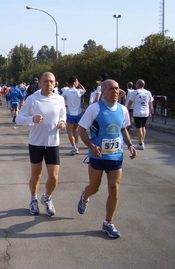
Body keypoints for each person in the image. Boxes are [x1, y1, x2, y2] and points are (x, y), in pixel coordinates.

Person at [77, 79, 137, 239]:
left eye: (117, 88)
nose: (115, 91)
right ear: (103, 91)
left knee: (114, 188)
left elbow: (123, 129)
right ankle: (85, 196)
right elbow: (81, 129)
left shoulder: (123, 109)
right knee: (94, 188)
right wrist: (91, 146)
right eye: (111, 89)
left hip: (116, 156)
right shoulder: (94, 108)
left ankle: (108, 223)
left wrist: (130, 145)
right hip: (97, 156)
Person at [16, 72, 66, 217]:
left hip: (52, 143)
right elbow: (19, 119)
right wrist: (32, 119)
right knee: (36, 174)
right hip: (36, 142)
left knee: (54, 178)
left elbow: (63, 115)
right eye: (46, 81)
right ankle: (33, 199)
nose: (48, 84)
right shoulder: (33, 99)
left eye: (51, 81)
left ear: (55, 83)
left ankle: (47, 197)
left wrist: (62, 123)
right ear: (40, 83)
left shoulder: (59, 99)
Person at [126, 79, 154, 150]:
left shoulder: (135, 92)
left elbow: (130, 102)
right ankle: (142, 142)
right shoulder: (148, 92)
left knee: (138, 128)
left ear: (138, 85)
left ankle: (140, 143)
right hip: (145, 112)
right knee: (143, 127)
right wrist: (150, 112)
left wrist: (127, 110)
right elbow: (151, 103)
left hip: (138, 112)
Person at [62, 76, 86, 155]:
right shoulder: (79, 91)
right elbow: (84, 90)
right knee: (75, 130)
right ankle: (77, 145)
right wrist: (79, 83)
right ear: (75, 83)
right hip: (78, 114)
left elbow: (62, 99)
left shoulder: (66, 91)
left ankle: (74, 147)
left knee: (69, 131)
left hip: (70, 114)